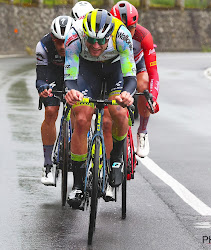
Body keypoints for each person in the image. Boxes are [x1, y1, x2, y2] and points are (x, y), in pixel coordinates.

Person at [64, 9, 137, 208]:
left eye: (101, 41)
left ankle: (115, 160)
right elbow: (70, 78)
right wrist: (71, 92)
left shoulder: (122, 36)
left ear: (110, 36)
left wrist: (127, 94)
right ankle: (78, 184)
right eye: (91, 40)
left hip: (115, 70)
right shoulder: (73, 35)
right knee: (80, 118)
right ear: (84, 34)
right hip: (87, 71)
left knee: (119, 112)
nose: (95, 46)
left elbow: (130, 78)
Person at [110, 1, 160, 158]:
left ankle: (143, 132)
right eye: (123, 28)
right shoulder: (104, 34)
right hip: (114, 68)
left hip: (137, 67)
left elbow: (153, 73)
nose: (128, 33)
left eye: (132, 28)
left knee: (143, 84)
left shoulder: (143, 36)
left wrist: (153, 97)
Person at [35, 16, 74, 186]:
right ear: (52, 38)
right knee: (51, 112)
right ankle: (47, 164)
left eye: (65, 42)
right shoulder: (43, 46)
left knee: (82, 111)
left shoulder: (81, 44)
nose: (62, 47)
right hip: (52, 75)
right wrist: (42, 87)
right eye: (58, 42)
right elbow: (40, 77)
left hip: (73, 75)